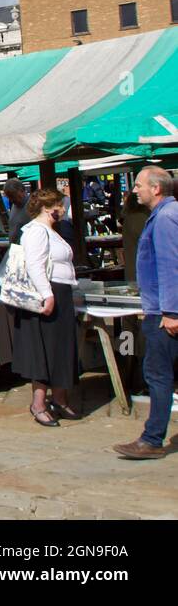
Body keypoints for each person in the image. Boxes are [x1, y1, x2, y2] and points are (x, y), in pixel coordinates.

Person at [113, 167, 178, 459]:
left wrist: (171, 311)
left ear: (156, 189)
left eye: (138, 185)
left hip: (165, 313)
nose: (134, 190)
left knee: (157, 374)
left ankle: (152, 439)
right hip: (163, 307)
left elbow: (170, 266)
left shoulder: (165, 218)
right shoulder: (166, 214)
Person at [12, 188, 79, 428]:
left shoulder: (53, 230)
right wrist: (47, 295)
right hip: (48, 294)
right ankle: (38, 403)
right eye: (61, 204)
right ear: (50, 207)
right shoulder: (36, 231)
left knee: (61, 348)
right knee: (45, 350)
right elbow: (35, 265)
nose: (64, 208)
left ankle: (60, 399)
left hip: (61, 292)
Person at [4, 179, 31, 243]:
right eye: (9, 197)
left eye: (13, 196)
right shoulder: (14, 206)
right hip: (15, 249)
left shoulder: (33, 206)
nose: (11, 200)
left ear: (22, 191)